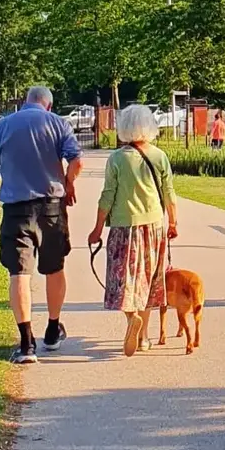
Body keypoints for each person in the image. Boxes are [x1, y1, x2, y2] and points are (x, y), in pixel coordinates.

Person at [0, 86, 84, 364]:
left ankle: (26, 344)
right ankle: (52, 330)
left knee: (19, 273)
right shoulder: (58, 123)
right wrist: (69, 184)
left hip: (17, 209)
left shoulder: (5, 125)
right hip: (52, 207)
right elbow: (76, 159)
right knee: (55, 268)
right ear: (48, 105)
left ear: (25, 102)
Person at [88, 104, 178, 356]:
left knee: (123, 281)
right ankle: (144, 337)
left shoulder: (117, 158)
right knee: (149, 280)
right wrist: (173, 222)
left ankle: (132, 320)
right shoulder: (159, 156)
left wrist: (96, 229)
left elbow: (107, 196)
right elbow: (169, 193)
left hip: (123, 228)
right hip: (154, 226)